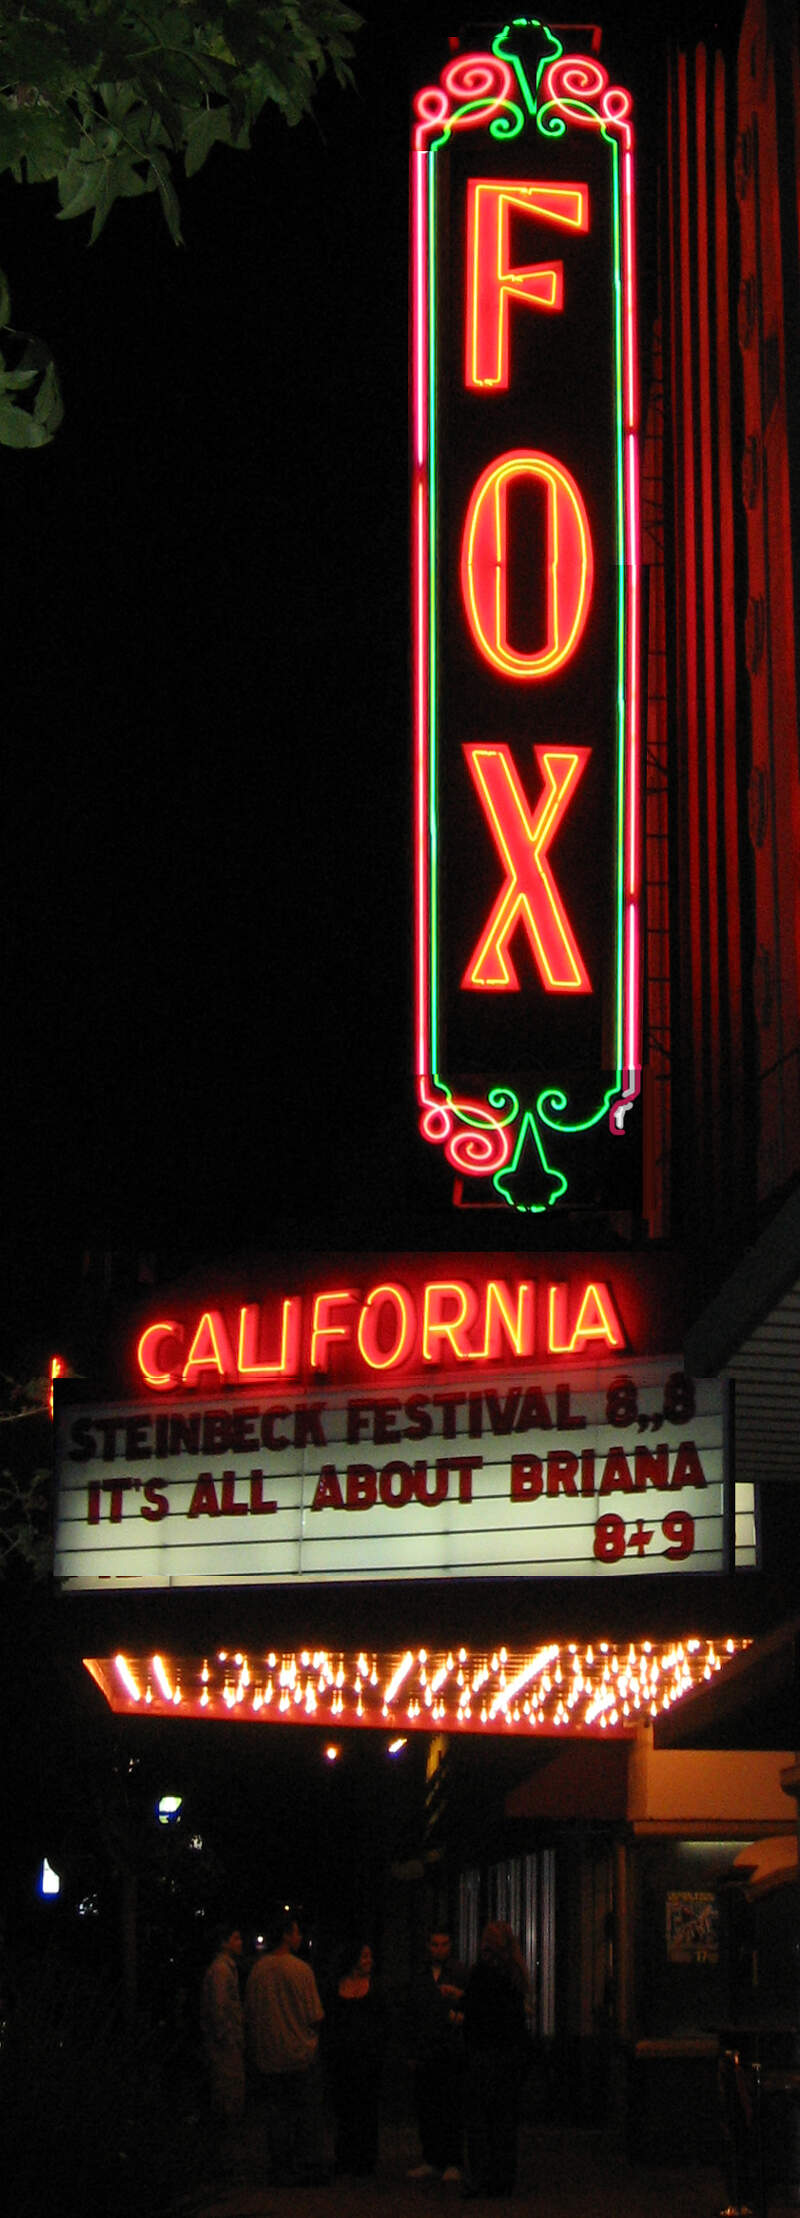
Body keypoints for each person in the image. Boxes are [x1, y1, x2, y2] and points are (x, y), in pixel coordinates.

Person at [244, 1909, 327, 2184]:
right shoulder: (301, 1970)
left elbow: (251, 2012)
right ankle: (303, 2166)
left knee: (276, 2113)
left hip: (269, 2054)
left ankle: (280, 2166)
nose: (300, 1936)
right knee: (304, 2114)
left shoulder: (259, 1969)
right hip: (298, 2053)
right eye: (296, 1931)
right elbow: (315, 2015)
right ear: (287, 1935)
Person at [460, 1922, 531, 2199]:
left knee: (480, 2122)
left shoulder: (482, 1973)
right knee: (504, 2123)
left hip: (484, 2055)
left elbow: (476, 2011)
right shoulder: (514, 1974)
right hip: (509, 2057)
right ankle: (503, 2178)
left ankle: (481, 2178)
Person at [407, 1927, 466, 2182]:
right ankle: (432, 2157)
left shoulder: (459, 1973)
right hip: (427, 2047)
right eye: (435, 1944)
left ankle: (452, 2159)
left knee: (450, 2106)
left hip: (450, 2047)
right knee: (428, 2107)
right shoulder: (421, 1975)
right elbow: (412, 2014)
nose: (438, 1949)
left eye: (443, 1944)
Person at [325, 1940, 386, 2174]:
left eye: (370, 1957)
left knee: (366, 2109)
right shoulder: (336, 1987)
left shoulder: (375, 1988)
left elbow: (383, 2022)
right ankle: (346, 2155)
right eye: (364, 1957)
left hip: (367, 2059)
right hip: (342, 2059)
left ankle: (365, 2157)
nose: (368, 1961)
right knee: (345, 2109)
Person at [200, 1921, 245, 2162]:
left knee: (230, 2099)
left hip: (226, 2043)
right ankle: (222, 2158)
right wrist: (227, 2038)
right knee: (227, 2099)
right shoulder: (221, 1970)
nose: (240, 1943)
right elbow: (219, 2009)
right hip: (224, 2047)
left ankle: (224, 2156)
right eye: (236, 1938)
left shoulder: (227, 1968)